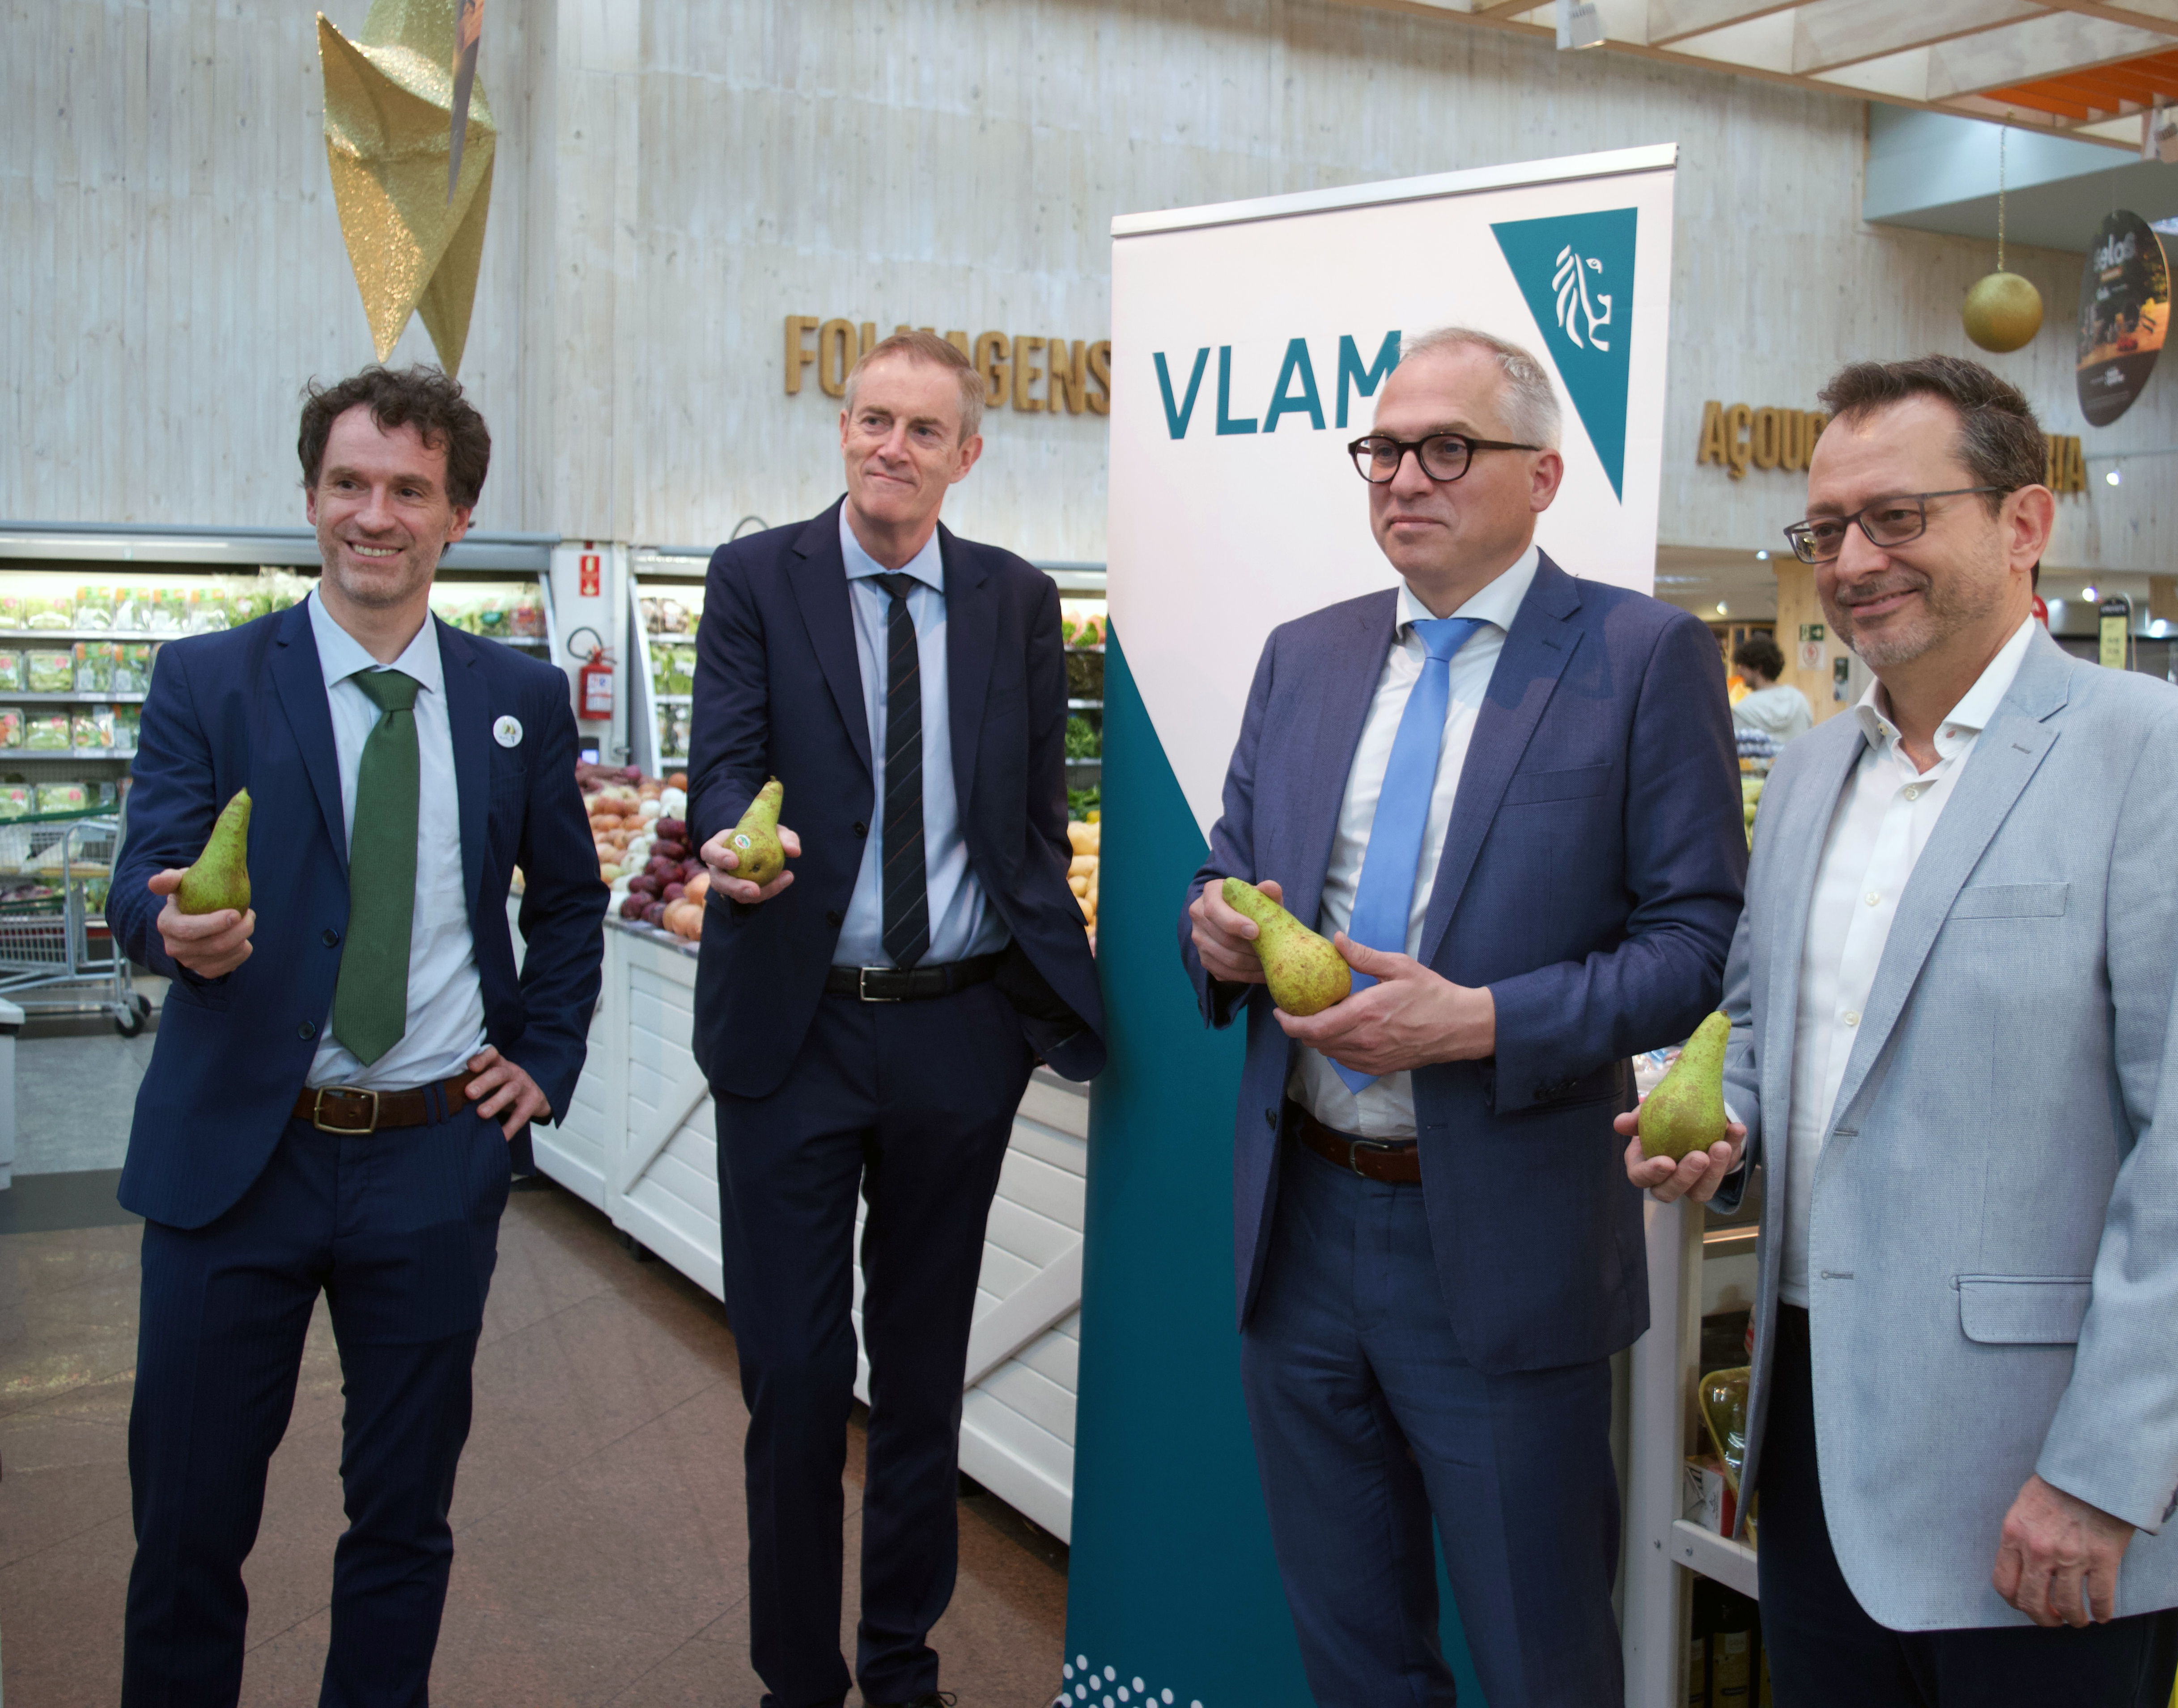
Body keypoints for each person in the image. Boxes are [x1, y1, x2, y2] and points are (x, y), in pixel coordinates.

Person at [1624, 355, 2178, 1706]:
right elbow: (1765, 1024)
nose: (1853, 560)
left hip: (2037, 1477)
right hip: (1812, 1443)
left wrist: (2103, 1471)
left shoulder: (2159, 752)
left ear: (2022, 523)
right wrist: (1723, 1124)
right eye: (1826, 530)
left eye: (1898, 517)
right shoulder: (1810, 769)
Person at [1180, 326, 1746, 1707]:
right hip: (1301, 1225)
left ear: (1543, 475)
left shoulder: (1641, 656)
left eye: (1448, 448)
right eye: (1383, 448)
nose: (1402, 479)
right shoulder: (1303, 655)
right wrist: (1215, 929)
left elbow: (1697, 943)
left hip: (1502, 1238)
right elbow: (1228, 864)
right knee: (1353, 1645)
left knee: (1540, 1651)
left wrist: (1482, 1020)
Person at [108, 364, 607, 1706]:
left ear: (456, 515)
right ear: (311, 496)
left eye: (405, 490)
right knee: (189, 1526)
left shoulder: (519, 698)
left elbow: (568, 901)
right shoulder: (210, 680)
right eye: (346, 484)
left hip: (432, 1162)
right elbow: (141, 875)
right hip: (236, 1160)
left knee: (402, 1518)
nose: (371, 514)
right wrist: (175, 933)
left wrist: (545, 1058)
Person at [686, 329, 1104, 1708]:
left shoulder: (1015, 601)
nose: (891, 447)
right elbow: (722, 773)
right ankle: (798, 1680)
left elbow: (1034, 820)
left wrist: (1049, 994)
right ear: (842, 428)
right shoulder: (759, 579)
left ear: (965, 455)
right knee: (798, 1380)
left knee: (922, 1380)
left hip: (956, 1033)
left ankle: (903, 1666)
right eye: (873, 418)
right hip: (792, 1028)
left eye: (924, 430)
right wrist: (733, 855)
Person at [1730, 636, 1813, 744]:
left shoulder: (1742, 711)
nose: (1739, 673)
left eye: (1743, 667)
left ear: (1758, 668)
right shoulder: (1799, 701)